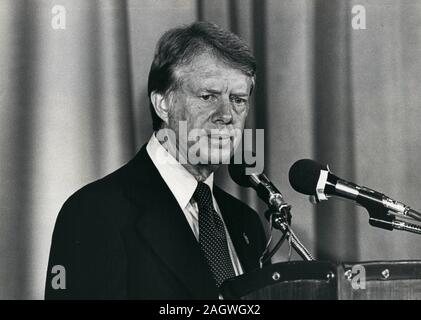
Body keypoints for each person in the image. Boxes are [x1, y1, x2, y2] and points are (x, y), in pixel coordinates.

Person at [45, 21, 266, 299]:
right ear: (163, 104)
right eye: (208, 96)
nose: (226, 115)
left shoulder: (247, 223)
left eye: (238, 100)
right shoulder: (95, 212)